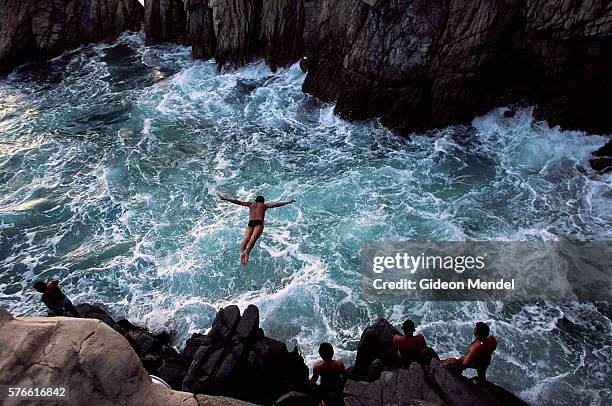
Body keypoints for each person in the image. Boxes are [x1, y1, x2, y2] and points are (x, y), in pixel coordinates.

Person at [218, 194, 295, 265]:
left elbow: (238, 202)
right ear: (263, 201)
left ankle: (242, 252)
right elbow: (276, 204)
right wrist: (288, 202)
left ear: (255, 200)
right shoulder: (264, 205)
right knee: (253, 238)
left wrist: (225, 198)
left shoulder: (251, 204)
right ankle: (247, 253)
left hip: (250, 223)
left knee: (246, 238)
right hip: (259, 223)